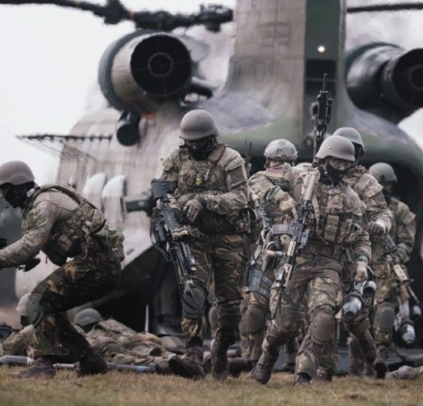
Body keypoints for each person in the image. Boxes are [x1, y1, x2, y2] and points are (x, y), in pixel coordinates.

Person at [249, 135, 371, 387]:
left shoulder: (351, 198)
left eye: (345, 164)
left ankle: (304, 373)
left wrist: (361, 262)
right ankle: (267, 356)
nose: (340, 168)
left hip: (328, 264)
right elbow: (257, 180)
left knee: (323, 315)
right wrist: (281, 197)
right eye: (335, 162)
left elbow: (361, 237)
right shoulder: (297, 177)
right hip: (296, 259)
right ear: (324, 159)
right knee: (284, 325)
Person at [0, 160, 125, 379]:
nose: (4, 196)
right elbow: (34, 249)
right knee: (50, 306)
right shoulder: (34, 207)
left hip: (97, 262)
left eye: (6, 189)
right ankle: (90, 360)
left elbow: (30, 245)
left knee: (38, 300)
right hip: (98, 264)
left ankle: (44, 364)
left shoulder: (44, 203)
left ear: (19, 184)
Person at [156, 109, 251, 380]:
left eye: (200, 142)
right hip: (192, 237)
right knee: (192, 292)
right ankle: (194, 355)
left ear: (211, 139)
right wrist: (174, 208)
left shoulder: (230, 160)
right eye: (190, 142)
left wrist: (204, 201)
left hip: (228, 239)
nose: (195, 147)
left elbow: (241, 197)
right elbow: (164, 194)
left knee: (230, 307)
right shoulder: (176, 158)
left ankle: (219, 351)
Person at [321, 127, 392, 379]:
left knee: (355, 317)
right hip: (326, 254)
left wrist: (380, 225)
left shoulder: (366, 182)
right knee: (323, 311)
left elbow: (383, 212)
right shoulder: (319, 177)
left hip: (357, 255)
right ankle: (324, 369)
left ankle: (371, 361)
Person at [241, 139, 300, 364]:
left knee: (290, 312)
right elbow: (256, 183)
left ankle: (292, 358)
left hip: (294, 255)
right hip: (266, 253)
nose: (277, 165)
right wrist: (282, 197)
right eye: (274, 161)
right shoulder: (259, 181)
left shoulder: (303, 182)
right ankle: (253, 359)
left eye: (282, 162)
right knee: (255, 309)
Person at [365, 162, 416, 377]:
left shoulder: (400, 211)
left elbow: (407, 242)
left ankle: (382, 352)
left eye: (385, 187)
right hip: (361, 264)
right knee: (357, 312)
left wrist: (397, 256)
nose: (382, 190)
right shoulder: (360, 206)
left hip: (388, 266)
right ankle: (361, 359)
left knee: (385, 307)